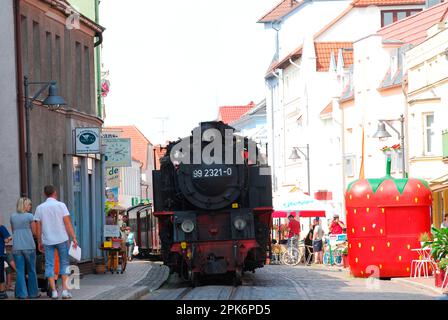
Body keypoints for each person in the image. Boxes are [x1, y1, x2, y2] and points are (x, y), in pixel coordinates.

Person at [34, 185, 78, 300]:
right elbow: (67, 223)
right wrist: (73, 237)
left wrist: (39, 241)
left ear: (45, 194)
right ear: (54, 193)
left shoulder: (40, 208)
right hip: (62, 239)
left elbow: (38, 227)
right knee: (64, 263)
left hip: (47, 240)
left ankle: (53, 291)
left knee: (49, 265)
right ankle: (64, 291)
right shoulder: (61, 205)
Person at [10, 197, 40, 299]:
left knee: (20, 271)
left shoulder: (13, 216)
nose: (30, 206)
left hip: (17, 247)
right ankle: (33, 293)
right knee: (31, 270)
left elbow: (13, 230)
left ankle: (22, 294)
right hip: (29, 246)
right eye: (29, 205)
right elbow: (35, 232)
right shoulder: (30, 216)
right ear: (24, 205)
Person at [0, 224, 12, 299]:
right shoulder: (1, 227)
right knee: (1, 273)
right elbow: (7, 238)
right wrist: (8, 239)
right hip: (0, 253)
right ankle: (1, 292)